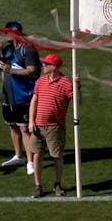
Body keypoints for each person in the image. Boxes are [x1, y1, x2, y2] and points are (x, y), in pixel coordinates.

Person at [28, 54, 80, 198]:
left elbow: (77, 102)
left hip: (55, 127)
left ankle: (57, 184)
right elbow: (34, 101)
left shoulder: (65, 83)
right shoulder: (40, 81)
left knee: (56, 156)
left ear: (55, 66)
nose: (43, 66)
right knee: (37, 155)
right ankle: (38, 186)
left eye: (46, 64)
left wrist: (77, 87)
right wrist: (31, 121)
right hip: (38, 126)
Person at [0, 21, 41, 175]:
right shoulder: (7, 50)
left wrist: (10, 70)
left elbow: (32, 72)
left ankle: (30, 161)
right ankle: (18, 155)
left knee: (24, 128)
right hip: (8, 95)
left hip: (24, 95)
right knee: (13, 126)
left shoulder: (28, 50)